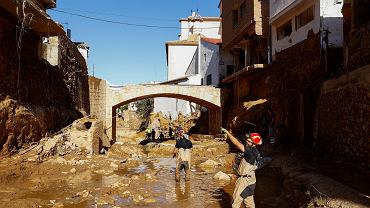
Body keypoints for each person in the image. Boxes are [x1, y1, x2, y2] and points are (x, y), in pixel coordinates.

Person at [221, 128, 262, 208]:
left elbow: (236, 143)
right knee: (249, 202)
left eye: (249, 141)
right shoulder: (256, 152)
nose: (247, 141)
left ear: (254, 143)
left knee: (235, 203)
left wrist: (228, 133)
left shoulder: (250, 152)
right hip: (251, 179)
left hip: (244, 180)